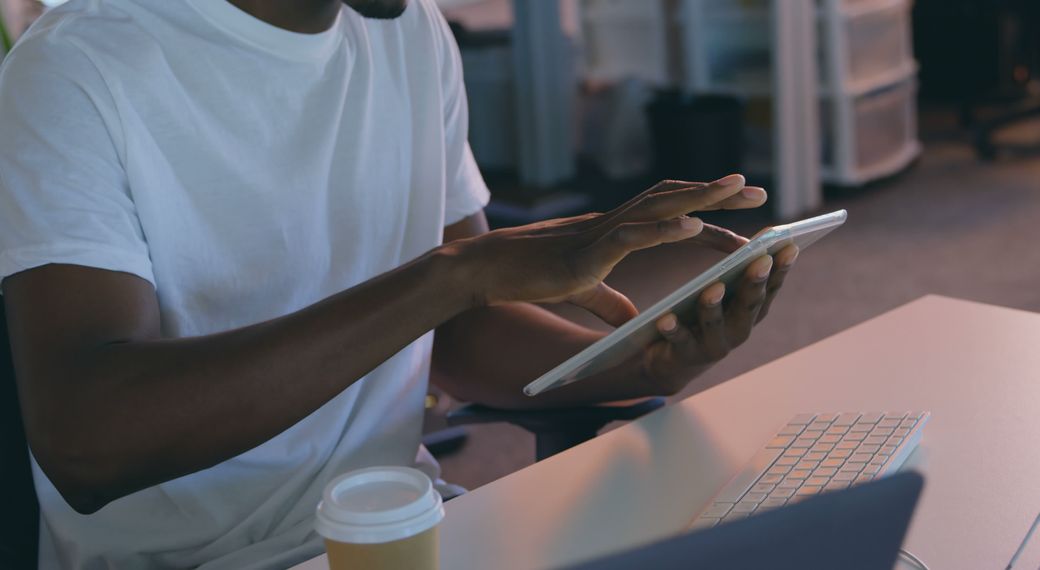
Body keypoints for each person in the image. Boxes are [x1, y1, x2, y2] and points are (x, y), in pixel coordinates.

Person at [0, 0, 798, 568]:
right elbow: (86, 439)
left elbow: (458, 332)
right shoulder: (75, 71)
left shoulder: (410, 34)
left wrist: (645, 359)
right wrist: (456, 276)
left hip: (397, 533)